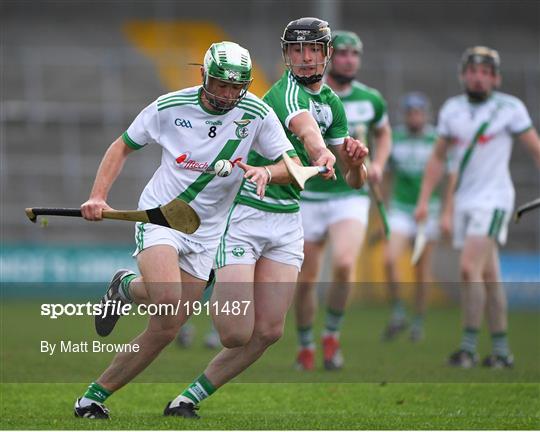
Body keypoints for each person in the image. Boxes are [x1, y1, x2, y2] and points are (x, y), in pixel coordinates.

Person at [73, 41, 299, 419]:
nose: (228, 94)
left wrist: (266, 171)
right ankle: (128, 288)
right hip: (160, 217)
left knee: (167, 326)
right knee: (167, 300)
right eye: (220, 84)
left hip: (208, 234)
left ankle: (92, 397)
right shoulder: (168, 107)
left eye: (236, 86)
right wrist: (98, 196)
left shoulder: (256, 112)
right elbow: (121, 147)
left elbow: (291, 166)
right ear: (203, 76)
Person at [167, 18, 368, 418]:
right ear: (286, 55)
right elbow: (306, 131)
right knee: (234, 332)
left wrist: (359, 162)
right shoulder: (285, 95)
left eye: (313, 49)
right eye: (297, 50)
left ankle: (188, 398)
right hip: (245, 213)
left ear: (326, 53)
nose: (305, 57)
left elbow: (352, 181)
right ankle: (202, 272)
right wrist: (319, 153)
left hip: (287, 219)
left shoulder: (332, 104)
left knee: (269, 332)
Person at [415, 46, 540, 368]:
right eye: (472, 71)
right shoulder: (452, 110)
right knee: (489, 275)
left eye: (486, 72)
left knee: (469, 268)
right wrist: (425, 200)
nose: (478, 77)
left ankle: (468, 349)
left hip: (495, 199)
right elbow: (439, 158)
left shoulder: (510, 108)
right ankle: (501, 352)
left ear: (496, 78)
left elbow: (535, 149)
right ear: (463, 75)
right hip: (464, 201)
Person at [294, 30, 391, 370]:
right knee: (306, 279)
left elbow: (383, 131)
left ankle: (331, 337)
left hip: (350, 195)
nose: (349, 59)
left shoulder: (371, 99)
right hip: (309, 195)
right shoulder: (309, 95)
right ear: (332, 56)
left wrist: (376, 164)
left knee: (345, 264)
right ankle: (305, 344)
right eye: (344, 53)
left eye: (355, 54)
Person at [382, 92, 439, 342]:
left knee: (421, 269)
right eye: (410, 112)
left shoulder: (437, 139)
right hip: (401, 208)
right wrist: (382, 208)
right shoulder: (395, 137)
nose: (414, 117)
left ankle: (418, 322)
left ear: (425, 114)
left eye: (419, 112)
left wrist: (448, 210)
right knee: (389, 260)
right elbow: (386, 174)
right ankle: (398, 312)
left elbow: (447, 176)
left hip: (428, 211)